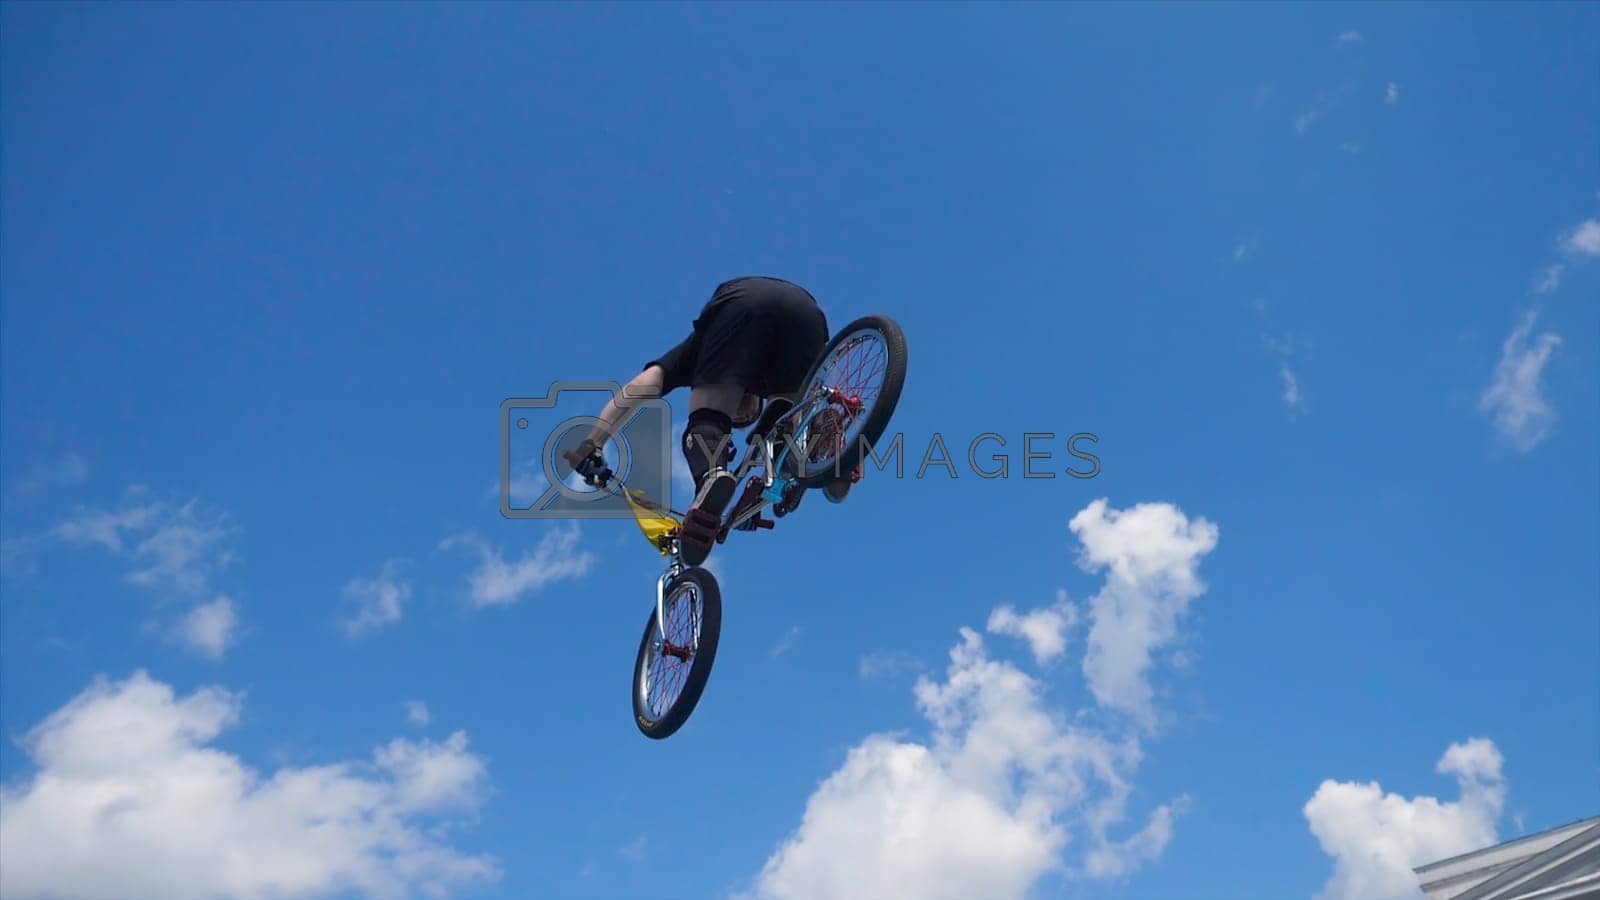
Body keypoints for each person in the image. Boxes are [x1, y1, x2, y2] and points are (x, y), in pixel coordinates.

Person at [568, 276, 830, 566]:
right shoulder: (769, 384)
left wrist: (593, 442)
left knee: (707, 426)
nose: (738, 414)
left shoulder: (695, 353)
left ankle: (711, 473)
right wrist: (748, 508)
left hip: (744, 302)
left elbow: (638, 388)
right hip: (808, 313)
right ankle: (823, 444)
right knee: (785, 424)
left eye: (739, 417)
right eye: (744, 417)